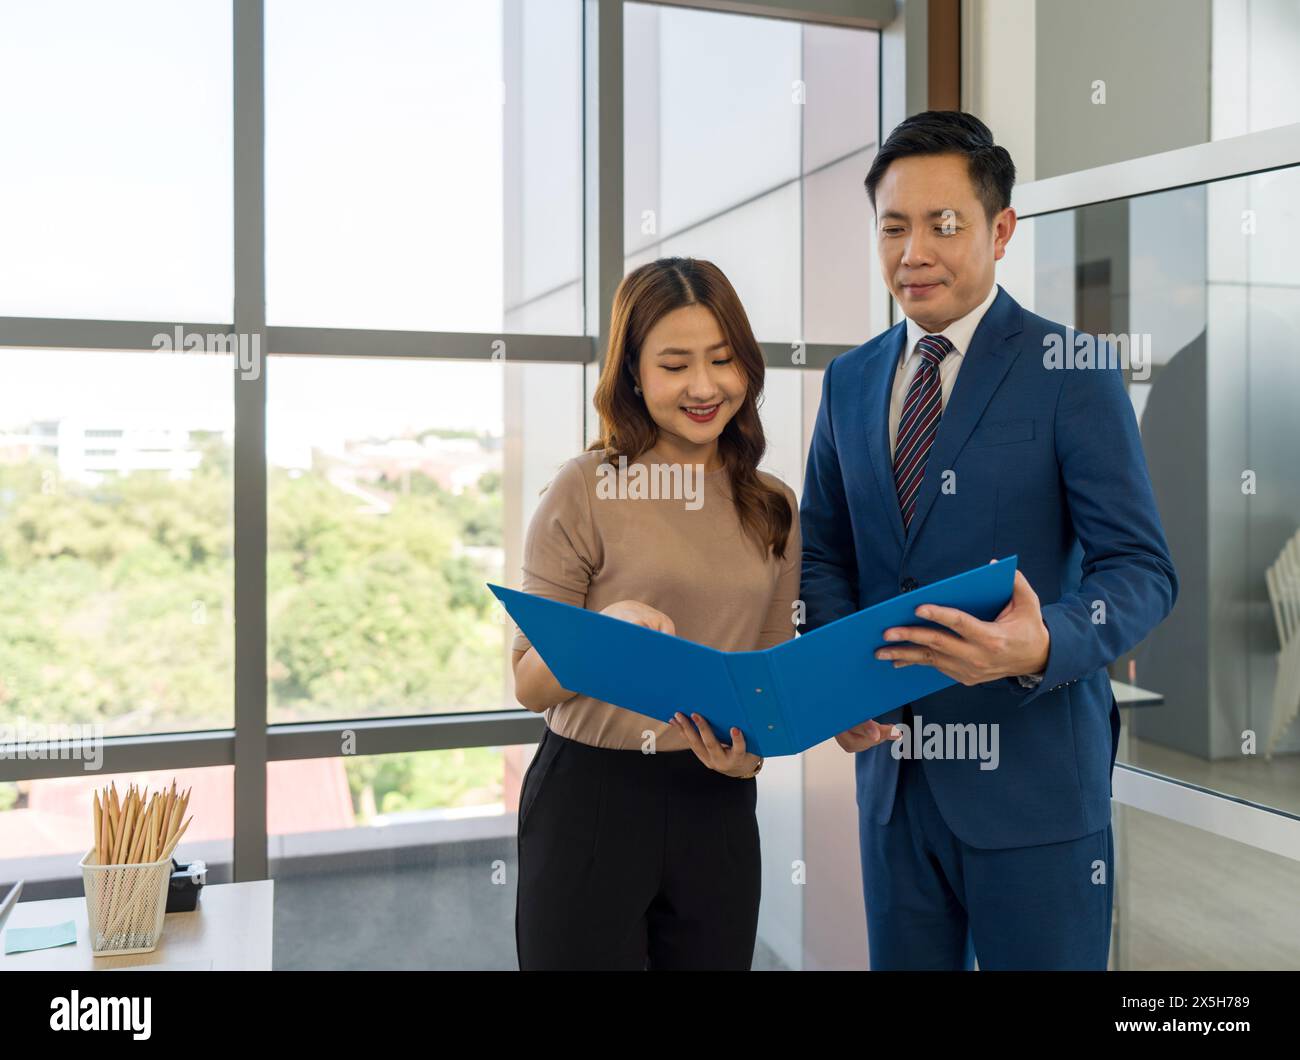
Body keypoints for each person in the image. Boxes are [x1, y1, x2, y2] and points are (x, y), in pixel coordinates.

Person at [800, 110, 1178, 970]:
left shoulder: (1071, 369)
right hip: (894, 785)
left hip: (1036, 789)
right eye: (893, 227)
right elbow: (825, 552)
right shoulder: (852, 380)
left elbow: (1142, 569)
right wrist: (836, 685)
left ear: (1001, 230)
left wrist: (1045, 640)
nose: (913, 251)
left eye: (945, 224)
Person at [511, 257, 889, 970]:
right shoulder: (585, 488)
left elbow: (768, 674)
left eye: (722, 359)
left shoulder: (773, 503)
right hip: (590, 800)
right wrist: (608, 632)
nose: (704, 386)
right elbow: (528, 684)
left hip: (716, 804)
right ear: (633, 375)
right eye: (675, 364)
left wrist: (801, 725)